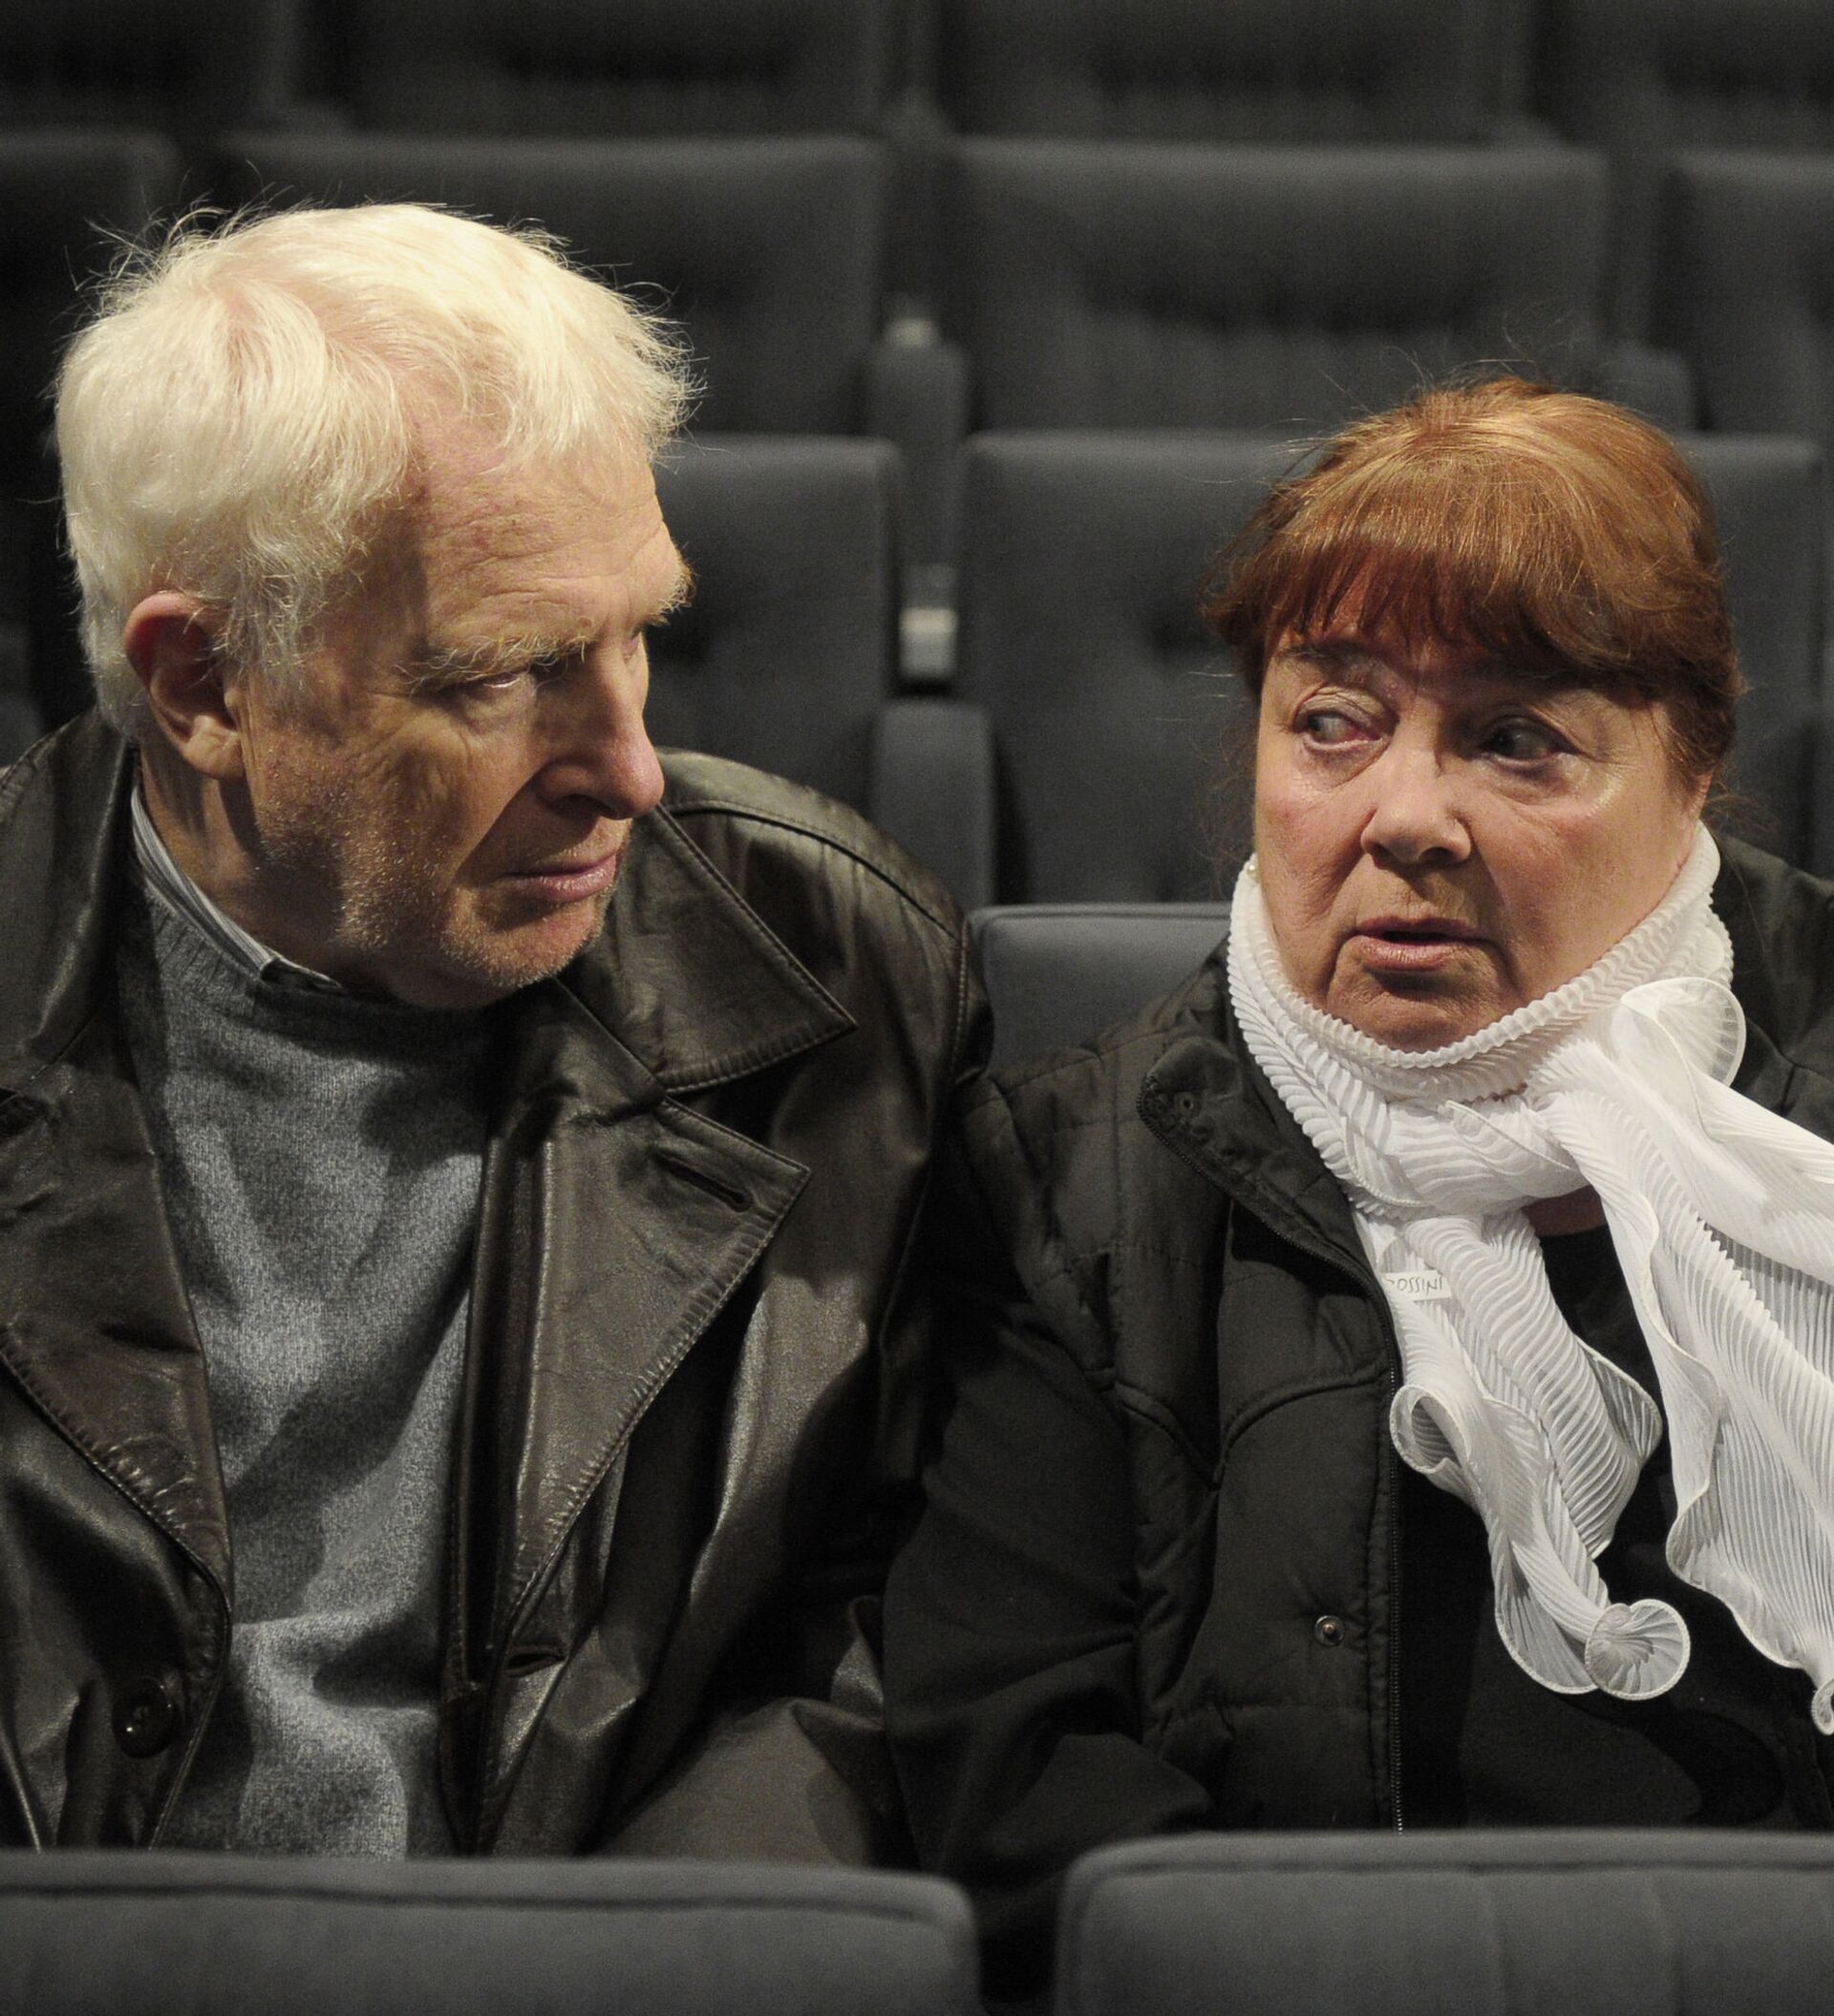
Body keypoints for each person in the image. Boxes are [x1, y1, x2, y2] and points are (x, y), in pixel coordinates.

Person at [0, 203, 984, 1857]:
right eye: (507, 675)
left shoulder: (840, 973)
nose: (632, 771)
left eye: (639, 635)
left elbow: (874, 1629)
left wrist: (604, 1960)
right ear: (206, 685)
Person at [884, 378, 1834, 1996]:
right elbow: (1022, 1785)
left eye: (1517, 739)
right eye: (1334, 721)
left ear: (1693, 772)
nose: (1405, 817)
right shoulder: (1064, 1178)